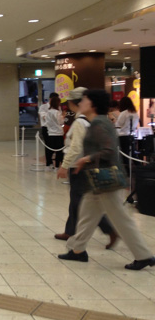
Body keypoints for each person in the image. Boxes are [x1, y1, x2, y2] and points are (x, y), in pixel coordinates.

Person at [58, 89, 155, 270]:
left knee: (121, 219)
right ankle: (77, 250)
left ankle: (144, 256)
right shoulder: (97, 122)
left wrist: (86, 159)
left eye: (85, 100)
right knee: (87, 216)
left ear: (93, 104)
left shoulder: (99, 124)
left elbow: (109, 151)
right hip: (98, 181)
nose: (81, 103)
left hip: (107, 181)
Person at [55, 87, 117, 248]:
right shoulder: (90, 121)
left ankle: (109, 229)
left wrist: (64, 165)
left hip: (79, 166)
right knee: (78, 200)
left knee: (81, 201)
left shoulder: (79, 122)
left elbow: (75, 147)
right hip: (85, 165)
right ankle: (70, 231)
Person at [116, 96, 139, 172]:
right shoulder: (135, 113)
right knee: (133, 154)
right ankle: (139, 169)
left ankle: (127, 171)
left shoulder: (124, 113)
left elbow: (118, 124)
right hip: (132, 135)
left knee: (124, 154)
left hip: (123, 136)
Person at [39, 92, 59, 168]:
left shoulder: (58, 108)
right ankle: (49, 162)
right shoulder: (43, 107)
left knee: (57, 146)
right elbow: (44, 117)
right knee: (48, 145)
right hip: (46, 128)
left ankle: (57, 163)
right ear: (50, 99)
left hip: (57, 129)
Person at [45, 95, 64, 170]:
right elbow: (61, 122)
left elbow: (47, 122)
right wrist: (63, 117)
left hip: (50, 133)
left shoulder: (48, 112)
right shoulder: (57, 112)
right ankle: (57, 166)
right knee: (59, 151)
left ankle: (48, 165)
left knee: (49, 150)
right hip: (58, 133)